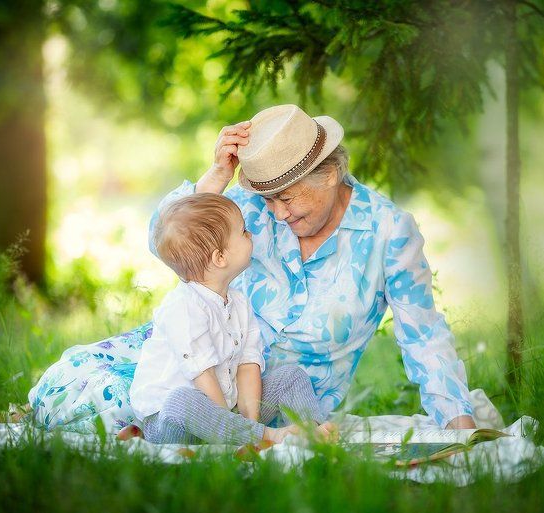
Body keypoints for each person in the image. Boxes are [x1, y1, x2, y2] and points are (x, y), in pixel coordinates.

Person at [27, 103, 476, 434]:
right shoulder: (249, 207)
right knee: (66, 386)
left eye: (287, 197)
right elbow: (165, 242)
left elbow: (425, 338)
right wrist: (215, 180)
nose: (276, 214)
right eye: (267, 199)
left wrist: (459, 421)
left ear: (330, 173)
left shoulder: (388, 233)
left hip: (276, 396)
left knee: (125, 415)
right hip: (192, 352)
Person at [124, 193, 334, 444]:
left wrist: (249, 421)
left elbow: (248, 365)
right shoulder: (183, 306)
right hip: (173, 421)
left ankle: (309, 431)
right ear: (219, 258)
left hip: (228, 408)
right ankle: (265, 438)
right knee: (180, 401)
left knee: (289, 377)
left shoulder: (239, 303)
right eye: (243, 231)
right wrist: (237, 430)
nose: (251, 235)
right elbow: (203, 374)